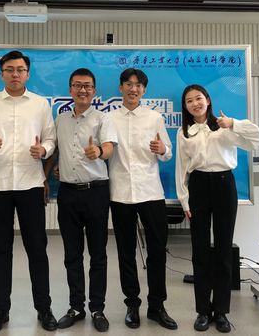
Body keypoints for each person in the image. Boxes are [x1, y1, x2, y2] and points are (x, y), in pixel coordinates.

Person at [0, 50, 58, 334]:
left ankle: (44, 308)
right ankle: (1, 311)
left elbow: (51, 138)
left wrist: (44, 149)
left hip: (30, 184)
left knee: (37, 249)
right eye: (10, 69)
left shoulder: (40, 104)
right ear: (2, 73)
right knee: (1, 250)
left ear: (28, 74)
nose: (15, 74)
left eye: (20, 69)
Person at [175, 84, 259, 333]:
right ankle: (203, 311)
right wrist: (184, 200)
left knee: (224, 250)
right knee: (200, 251)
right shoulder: (184, 132)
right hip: (198, 186)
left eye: (199, 98)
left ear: (208, 100)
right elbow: (181, 167)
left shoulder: (224, 126)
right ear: (185, 106)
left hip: (225, 184)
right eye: (189, 101)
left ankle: (221, 311)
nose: (195, 103)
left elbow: (258, 138)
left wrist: (233, 123)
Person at [44, 68, 117, 332]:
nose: (82, 90)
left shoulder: (102, 118)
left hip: (96, 192)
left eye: (87, 86)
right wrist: (45, 177)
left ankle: (97, 308)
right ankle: (76, 307)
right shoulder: (61, 119)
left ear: (94, 91)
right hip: (68, 194)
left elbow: (109, 147)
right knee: (72, 254)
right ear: (70, 89)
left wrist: (98, 150)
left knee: (98, 255)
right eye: (77, 85)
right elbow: (55, 151)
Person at [108, 68, 178, 331]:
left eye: (138, 85)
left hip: (151, 192)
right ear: (121, 88)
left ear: (144, 90)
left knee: (157, 251)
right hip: (120, 193)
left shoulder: (154, 117)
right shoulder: (109, 118)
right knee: (126, 253)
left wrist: (163, 149)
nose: (133, 89)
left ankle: (157, 306)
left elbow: (168, 153)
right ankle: (132, 305)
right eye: (128, 84)